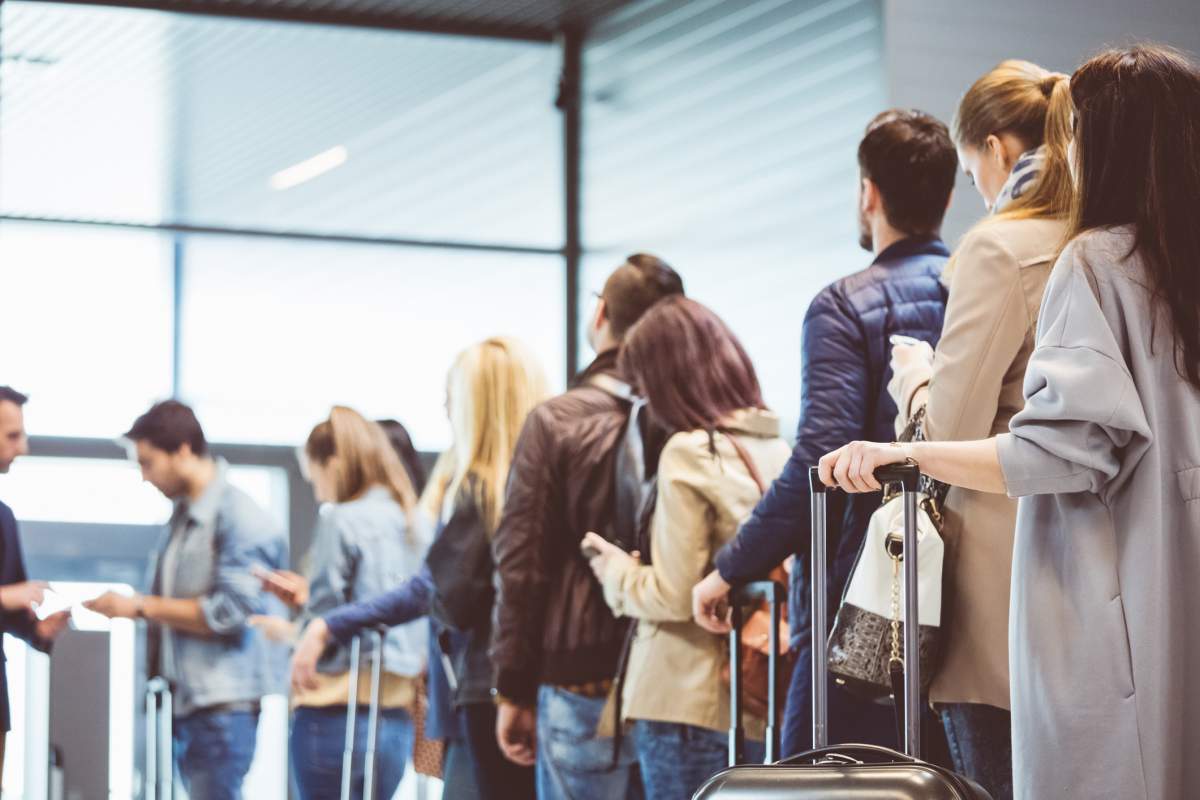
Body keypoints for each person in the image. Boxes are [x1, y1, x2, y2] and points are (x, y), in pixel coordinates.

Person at [818, 44, 1200, 800]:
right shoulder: (1175, 260)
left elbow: (1062, 448)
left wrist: (905, 433)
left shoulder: (1092, 262)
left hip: (1097, 584)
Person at [691, 109, 958, 757]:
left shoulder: (844, 305)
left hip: (862, 599)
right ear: (949, 196)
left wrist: (730, 568)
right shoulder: (975, 292)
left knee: (825, 774)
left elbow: (821, 458)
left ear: (868, 193)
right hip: (964, 590)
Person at [886, 60, 1074, 799]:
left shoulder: (1000, 248)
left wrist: (915, 380)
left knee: (989, 777)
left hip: (996, 564)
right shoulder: (1111, 235)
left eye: (972, 172)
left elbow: (948, 428)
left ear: (995, 149)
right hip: (1084, 563)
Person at [292, 337, 548, 799]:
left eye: (454, 395)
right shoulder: (530, 490)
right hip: (516, 695)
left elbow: (432, 591)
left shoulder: (481, 493)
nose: (445, 407)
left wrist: (328, 624)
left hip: (486, 696)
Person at [489, 253, 684, 799]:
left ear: (601, 313)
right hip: (675, 674)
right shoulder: (693, 419)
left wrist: (513, 687)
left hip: (579, 675)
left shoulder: (556, 421)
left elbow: (521, 565)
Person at [583, 297, 792, 799]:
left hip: (683, 693)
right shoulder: (775, 447)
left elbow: (677, 595)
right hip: (750, 692)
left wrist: (615, 572)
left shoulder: (691, 451)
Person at [85, 400, 288, 800]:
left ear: (182, 450)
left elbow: (228, 613)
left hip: (222, 709)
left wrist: (139, 606)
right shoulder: (185, 516)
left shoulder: (240, 516)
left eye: (148, 463)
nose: (144, 477)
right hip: (191, 705)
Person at [280, 407, 429, 800]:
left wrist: (299, 629)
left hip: (334, 713)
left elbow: (326, 615)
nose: (317, 490)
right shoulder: (417, 521)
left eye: (316, 477)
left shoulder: (340, 519)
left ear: (333, 463)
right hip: (395, 717)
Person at [0, 387, 71, 776]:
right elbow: (7, 596)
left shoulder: (4, 517)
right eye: (13, 435)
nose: (23, 447)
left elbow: (9, 611)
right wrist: (8, 595)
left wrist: (38, 630)